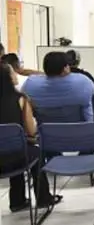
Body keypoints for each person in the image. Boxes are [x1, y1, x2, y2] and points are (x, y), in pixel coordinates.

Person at [0, 63, 59, 212]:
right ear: (7, 78)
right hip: (16, 155)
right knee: (33, 152)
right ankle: (43, 198)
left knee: (14, 147)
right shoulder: (21, 99)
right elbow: (31, 131)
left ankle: (17, 200)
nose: (16, 75)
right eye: (13, 73)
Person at [22, 52, 94, 121]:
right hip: (79, 129)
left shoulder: (30, 84)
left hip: (45, 129)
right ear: (65, 69)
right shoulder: (83, 81)